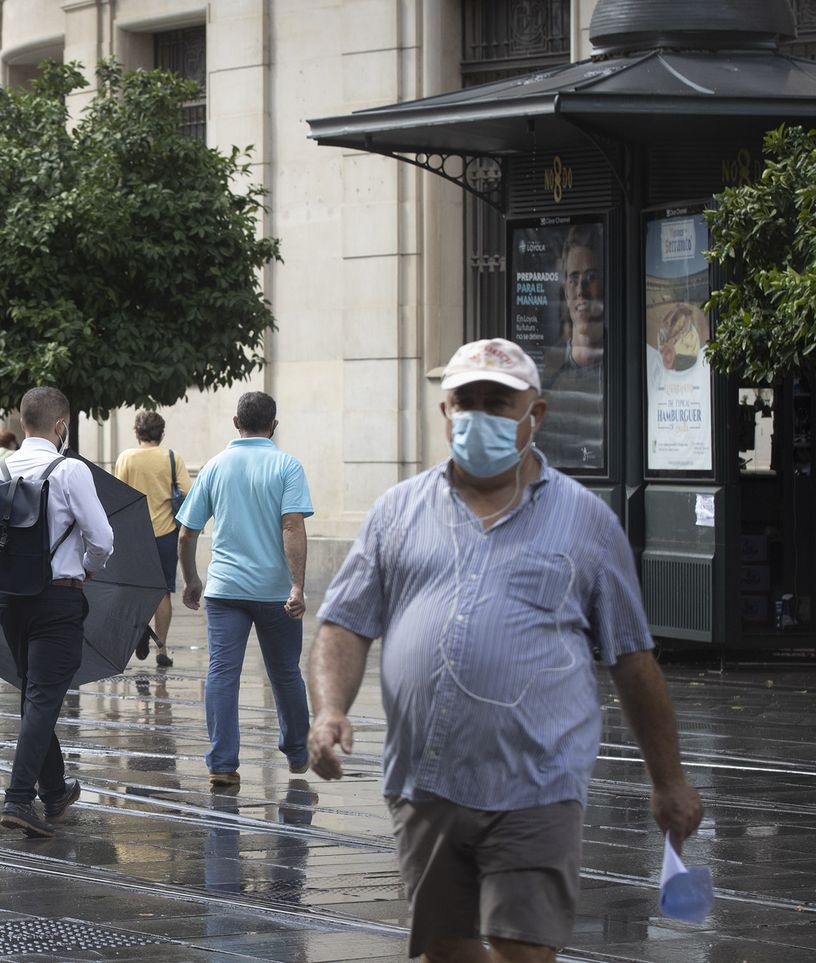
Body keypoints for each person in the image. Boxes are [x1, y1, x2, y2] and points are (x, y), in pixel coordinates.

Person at [308, 338, 703, 963]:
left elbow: (632, 658)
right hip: (426, 780)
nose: (480, 416)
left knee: (524, 949)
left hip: (538, 782)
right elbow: (343, 625)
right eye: (467, 402)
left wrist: (669, 781)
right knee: (446, 948)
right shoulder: (397, 512)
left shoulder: (586, 521)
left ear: (535, 415)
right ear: (444, 411)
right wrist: (330, 709)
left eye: (499, 402)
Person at [176, 391, 313, 786]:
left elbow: (187, 533)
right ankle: (297, 750)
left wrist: (192, 579)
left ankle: (222, 763)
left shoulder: (215, 467)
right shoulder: (287, 466)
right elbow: (292, 526)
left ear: (235, 422)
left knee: (221, 672)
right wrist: (298, 586)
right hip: (274, 592)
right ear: (274, 425)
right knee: (285, 671)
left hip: (225, 589)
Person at [0, 388, 113, 838]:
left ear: (23, 421)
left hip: (10, 599)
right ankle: (19, 798)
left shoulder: (0, 467)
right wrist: (89, 568)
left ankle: (55, 791)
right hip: (58, 596)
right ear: (61, 425)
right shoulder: (69, 470)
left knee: (33, 695)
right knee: (42, 699)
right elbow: (101, 537)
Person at [113, 411, 190, 668]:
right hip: (165, 534)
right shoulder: (171, 458)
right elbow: (189, 493)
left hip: (134, 536)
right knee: (163, 591)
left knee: (134, 589)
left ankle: (140, 629)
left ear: (137, 432)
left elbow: (119, 496)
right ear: (162, 433)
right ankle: (162, 648)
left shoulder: (125, 458)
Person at [538, 227, 605, 470]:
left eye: (590, 277)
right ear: (565, 292)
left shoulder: (620, 364)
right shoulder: (548, 372)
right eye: (573, 279)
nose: (581, 290)